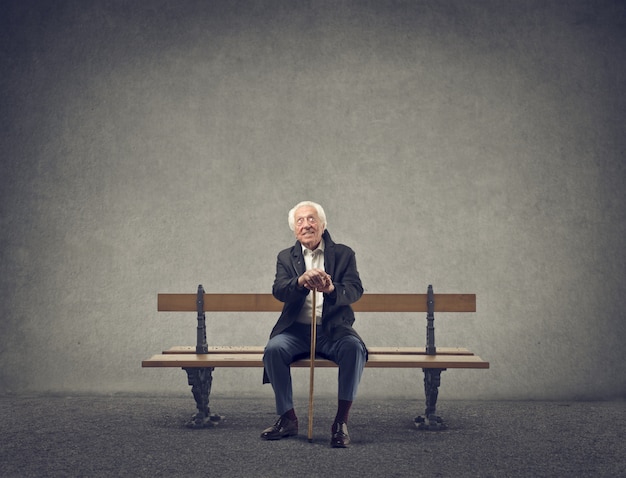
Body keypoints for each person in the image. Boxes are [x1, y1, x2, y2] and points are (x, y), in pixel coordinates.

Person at [261, 201, 367, 448]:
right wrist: (299, 281)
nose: (306, 224)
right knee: (273, 350)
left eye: (311, 219)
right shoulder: (285, 257)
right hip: (296, 331)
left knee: (354, 349)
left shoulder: (343, 254)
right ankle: (287, 418)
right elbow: (279, 290)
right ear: (294, 229)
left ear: (322, 224)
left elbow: (355, 290)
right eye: (300, 221)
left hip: (333, 330)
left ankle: (340, 422)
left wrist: (331, 288)